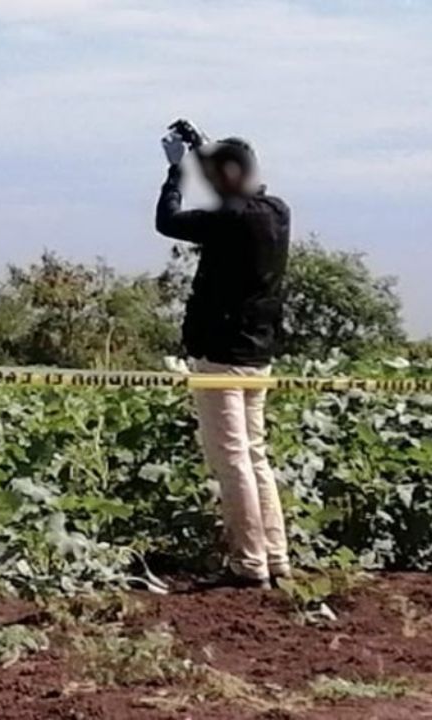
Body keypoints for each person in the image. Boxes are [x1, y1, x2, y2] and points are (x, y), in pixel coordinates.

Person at [155, 128, 292, 590]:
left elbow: (168, 220)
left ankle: (249, 562)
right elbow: (234, 187)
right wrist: (201, 148)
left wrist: (175, 172)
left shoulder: (228, 220)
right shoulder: (277, 212)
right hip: (259, 354)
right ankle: (275, 555)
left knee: (231, 458)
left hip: (221, 356)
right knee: (254, 454)